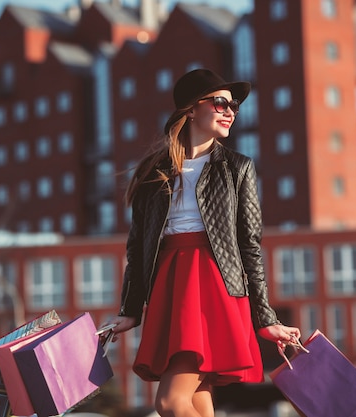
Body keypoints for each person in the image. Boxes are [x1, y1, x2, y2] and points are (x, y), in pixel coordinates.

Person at [102, 68, 301, 417]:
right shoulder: (153, 172)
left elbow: (249, 244)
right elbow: (137, 247)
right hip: (170, 284)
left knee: (169, 402)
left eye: (234, 105)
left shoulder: (237, 167)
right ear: (191, 110)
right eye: (221, 102)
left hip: (214, 284)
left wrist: (265, 317)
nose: (231, 111)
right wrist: (130, 310)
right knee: (198, 402)